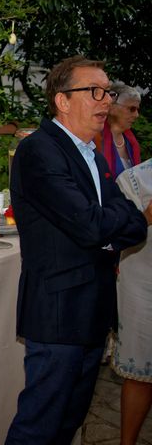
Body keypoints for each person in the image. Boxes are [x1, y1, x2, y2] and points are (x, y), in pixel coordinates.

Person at [5, 55, 152, 444]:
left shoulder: (91, 154)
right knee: (38, 429)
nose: (106, 101)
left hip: (90, 312)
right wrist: (119, 223)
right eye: (95, 91)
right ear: (63, 101)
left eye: (109, 92)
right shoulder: (39, 151)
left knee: (66, 425)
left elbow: (128, 219)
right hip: (58, 315)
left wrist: (117, 223)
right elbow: (92, 224)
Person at [111, 158, 152, 445]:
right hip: (143, 283)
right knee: (139, 375)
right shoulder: (135, 180)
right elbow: (114, 236)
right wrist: (147, 215)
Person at [95, 81, 142, 179]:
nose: (136, 115)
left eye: (138, 110)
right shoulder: (93, 139)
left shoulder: (131, 142)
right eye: (132, 109)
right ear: (111, 107)